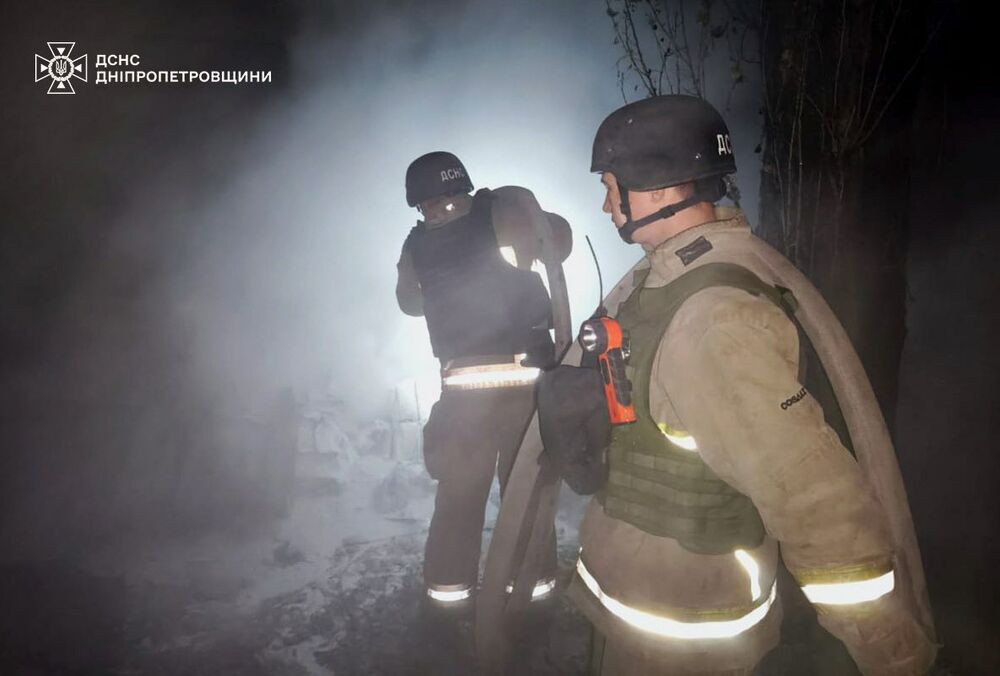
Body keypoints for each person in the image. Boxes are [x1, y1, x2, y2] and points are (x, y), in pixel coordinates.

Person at [543, 96, 937, 675]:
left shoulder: (714, 321)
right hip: (641, 607)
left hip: (686, 633)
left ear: (658, 187)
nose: (606, 205)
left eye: (611, 186)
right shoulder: (664, 279)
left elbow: (810, 494)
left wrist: (893, 652)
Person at [396, 151, 571, 611]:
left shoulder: (416, 245)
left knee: (458, 497)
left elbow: (409, 303)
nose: (431, 213)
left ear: (420, 200)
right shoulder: (502, 213)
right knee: (524, 495)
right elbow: (560, 243)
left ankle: (448, 598)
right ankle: (531, 592)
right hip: (523, 389)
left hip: (463, 399)